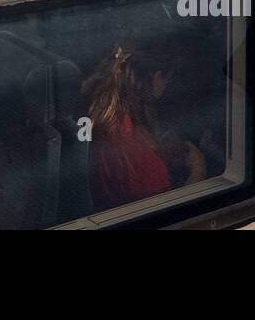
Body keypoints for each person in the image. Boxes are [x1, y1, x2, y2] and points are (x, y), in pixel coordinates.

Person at [81, 41, 206, 211]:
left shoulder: (108, 114)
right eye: (166, 80)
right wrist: (198, 171)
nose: (165, 87)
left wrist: (158, 151)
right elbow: (167, 218)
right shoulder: (137, 153)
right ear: (156, 77)